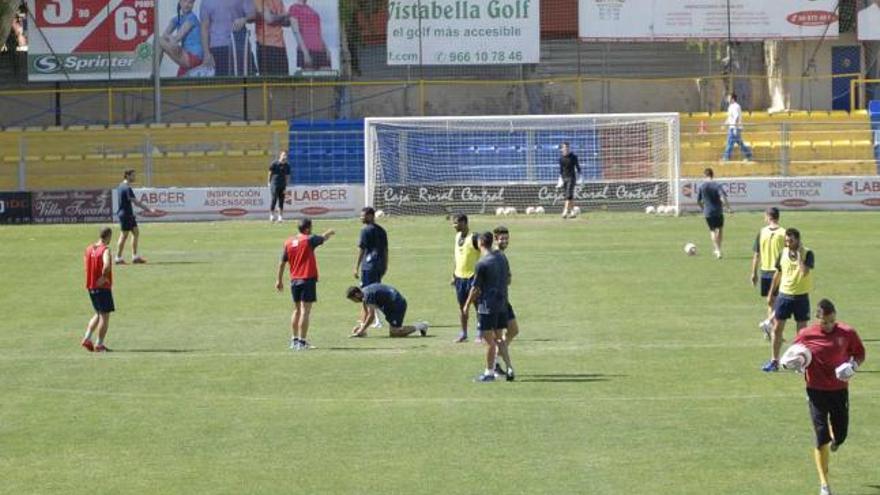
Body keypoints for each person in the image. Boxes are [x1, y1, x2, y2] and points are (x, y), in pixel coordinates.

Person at [784, 299, 865, 495]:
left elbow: (860, 353)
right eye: (824, 322)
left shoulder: (847, 333)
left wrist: (852, 366)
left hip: (839, 390)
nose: (828, 326)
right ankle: (824, 484)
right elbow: (793, 356)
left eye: (831, 321)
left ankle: (836, 438)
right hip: (816, 390)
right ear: (817, 319)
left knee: (840, 435)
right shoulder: (806, 335)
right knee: (821, 438)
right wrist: (795, 364)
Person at [275, 218, 334, 351]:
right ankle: (302, 342)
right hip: (307, 278)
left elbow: (282, 263)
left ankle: (294, 340)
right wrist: (330, 232)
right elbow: (322, 238)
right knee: (305, 311)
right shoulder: (309, 240)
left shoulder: (289, 242)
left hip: (294, 280)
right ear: (307, 228)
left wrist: (279, 280)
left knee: (296, 310)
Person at [763, 228, 815, 372]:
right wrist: (771, 293)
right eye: (786, 240)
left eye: (790, 240)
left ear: (798, 240)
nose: (788, 243)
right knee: (777, 329)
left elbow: (804, 272)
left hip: (801, 296)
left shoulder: (808, 253)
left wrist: (798, 256)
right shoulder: (783, 253)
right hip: (784, 296)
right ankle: (774, 361)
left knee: (802, 331)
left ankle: (800, 362)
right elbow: (778, 274)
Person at [464, 232, 514, 382]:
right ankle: (510, 368)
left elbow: (475, 289)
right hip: (502, 304)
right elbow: (508, 278)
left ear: (480, 243)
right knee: (499, 338)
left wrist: (466, 305)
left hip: (487, 305)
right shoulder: (501, 257)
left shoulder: (482, 263)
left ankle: (489, 373)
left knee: (489, 341)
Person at [750, 207, 785, 339]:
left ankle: (770, 330)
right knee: (781, 303)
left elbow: (756, 254)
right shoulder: (784, 233)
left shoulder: (762, 232)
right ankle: (772, 327)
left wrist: (753, 273)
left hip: (765, 272)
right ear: (778, 217)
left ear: (767, 216)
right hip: (779, 272)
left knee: (771, 302)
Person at [346, 284, 428, 338]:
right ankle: (421, 326)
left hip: (396, 304)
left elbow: (371, 316)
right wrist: (362, 327)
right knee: (394, 332)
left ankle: (422, 326)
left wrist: (361, 330)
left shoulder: (367, 295)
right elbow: (365, 311)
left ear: (357, 295)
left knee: (395, 333)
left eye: (353, 299)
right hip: (389, 305)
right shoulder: (364, 292)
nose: (354, 302)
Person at [200, 0, 256, 76]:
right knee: (221, 84)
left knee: (244, 82)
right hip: (217, 49)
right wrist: (206, 54)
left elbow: (253, 14)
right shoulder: (206, 2)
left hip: (239, 47)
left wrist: (244, 20)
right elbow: (204, 27)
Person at [353, 207, 388, 328]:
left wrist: (356, 267)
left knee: (366, 293)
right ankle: (375, 319)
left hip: (368, 267)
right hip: (379, 266)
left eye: (363, 215)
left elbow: (362, 249)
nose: (361, 217)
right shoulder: (382, 230)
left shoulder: (365, 231)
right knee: (374, 292)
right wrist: (385, 265)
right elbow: (385, 250)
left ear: (371, 216)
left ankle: (370, 319)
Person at [82, 227, 114, 353]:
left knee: (98, 313)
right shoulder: (105, 250)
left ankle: (87, 338)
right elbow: (106, 266)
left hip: (91, 286)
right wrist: (103, 277)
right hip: (102, 287)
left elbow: (86, 265)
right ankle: (99, 344)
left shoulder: (89, 249)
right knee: (105, 316)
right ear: (108, 236)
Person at [493, 225, 519, 377]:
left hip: (504, 300)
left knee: (514, 330)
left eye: (507, 238)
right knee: (499, 335)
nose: (505, 241)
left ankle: (497, 357)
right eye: (502, 238)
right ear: (496, 239)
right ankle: (495, 364)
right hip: (497, 302)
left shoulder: (502, 255)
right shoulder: (495, 256)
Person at [450, 213, 480, 343]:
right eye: (453, 223)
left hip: (473, 278)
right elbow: (457, 257)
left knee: (478, 307)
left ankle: (480, 333)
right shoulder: (457, 237)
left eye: (457, 223)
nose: (454, 225)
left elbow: (484, 252)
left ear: (465, 223)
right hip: (459, 278)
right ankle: (463, 333)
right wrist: (453, 274)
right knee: (462, 307)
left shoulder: (474, 238)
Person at [115, 169, 155, 265]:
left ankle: (135, 257)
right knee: (124, 235)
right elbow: (136, 202)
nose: (134, 177)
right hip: (125, 215)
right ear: (127, 176)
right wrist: (148, 209)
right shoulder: (127, 188)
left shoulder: (121, 186)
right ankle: (118, 258)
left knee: (135, 232)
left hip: (128, 214)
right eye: (133, 175)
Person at [159, 0, 204, 77]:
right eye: (185, 1)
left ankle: (155, 74)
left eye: (190, 2)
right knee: (159, 41)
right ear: (180, 2)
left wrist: (170, 38)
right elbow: (164, 37)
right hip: (186, 56)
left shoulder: (192, 18)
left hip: (194, 58)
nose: (187, 4)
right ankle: (155, 74)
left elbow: (177, 38)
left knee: (158, 41)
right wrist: (170, 38)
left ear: (193, 4)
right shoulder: (177, 19)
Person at [287, 0, 332, 71]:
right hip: (307, 49)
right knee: (310, 78)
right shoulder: (294, 8)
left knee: (325, 76)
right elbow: (296, 32)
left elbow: (318, 32)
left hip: (320, 50)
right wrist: (305, 52)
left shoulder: (312, 10)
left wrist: (326, 48)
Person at [696, 167, 730, 259]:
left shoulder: (702, 186)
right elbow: (723, 197)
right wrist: (728, 207)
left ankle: (717, 250)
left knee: (712, 230)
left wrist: (703, 209)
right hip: (718, 211)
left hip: (708, 212)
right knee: (720, 229)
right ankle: (719, 249)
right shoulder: (717, 185)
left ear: (704, 175)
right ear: (712, 175)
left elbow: (698, 201)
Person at [253, 0, 290, 75]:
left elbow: (287, 22)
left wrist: (275, 17)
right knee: (268, 81)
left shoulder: (279, 1)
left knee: (284, 80)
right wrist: (283, 15)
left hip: (280, 45)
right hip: (265, 46)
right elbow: (269, 19)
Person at [721, 93, 753, 162]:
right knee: (739, 143)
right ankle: (749, 155)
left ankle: (726, 157)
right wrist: (725, 124)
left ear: (732, 99)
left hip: (735, 128)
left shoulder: (736, 106)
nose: (727, 99)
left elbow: (736, 117)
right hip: (732, 127)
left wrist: (735, 128)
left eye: (729, 98)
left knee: (730, 142)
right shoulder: (730, 107)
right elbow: (729, 118)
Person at [558, 142, 581, 219]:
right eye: (564, 147)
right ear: (562, 149)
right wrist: (560, 179)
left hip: (571, 178)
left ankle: (565, 211)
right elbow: (561, 170)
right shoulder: (561, 159)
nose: (566, 149)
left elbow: (578, 167)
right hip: (564, 178)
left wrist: (580, 176)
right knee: (569, 196)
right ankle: (572, 212)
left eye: (567, 147)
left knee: (568, 194)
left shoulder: (574, 157)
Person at [267, 150, 289, 222]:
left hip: (282, 185)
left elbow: (287, 176)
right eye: (283, 155)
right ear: (280, 155)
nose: (284, 156)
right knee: (274, 199)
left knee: (281, 201)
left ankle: (280, 217)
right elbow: (270, 173)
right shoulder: (274, 163)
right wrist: (269, 182)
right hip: (274, 184)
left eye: (285, 155)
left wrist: (286, 185)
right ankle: (272, 215)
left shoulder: (287, 165)